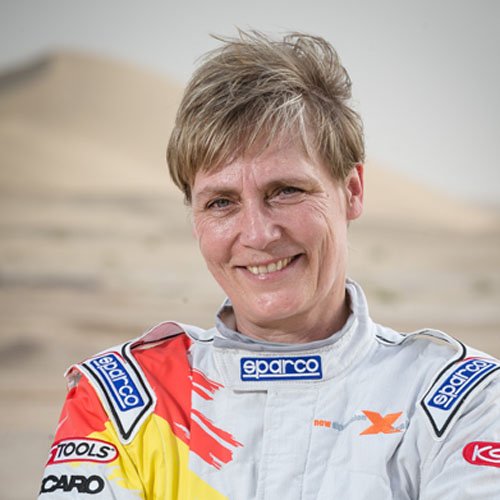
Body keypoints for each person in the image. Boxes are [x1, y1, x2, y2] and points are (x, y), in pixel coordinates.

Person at [38, 30, 500, 499]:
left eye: (286, 191)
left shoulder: (464, 400)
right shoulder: (121, 401)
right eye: (221, 202)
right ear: (194, 219)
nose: (258, 234)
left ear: (352, 191)